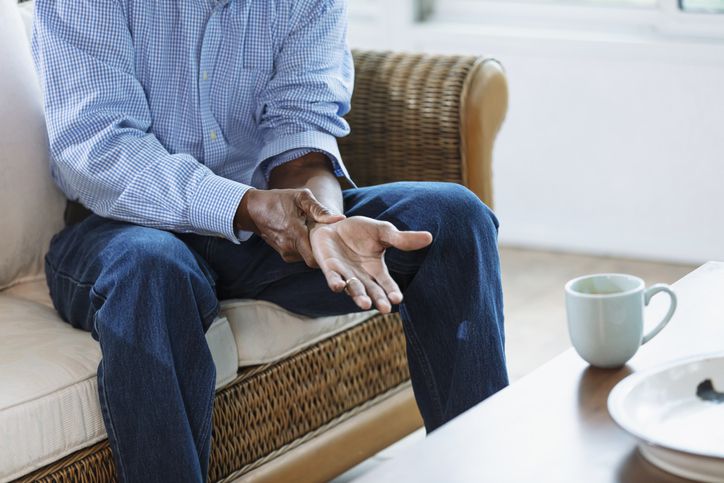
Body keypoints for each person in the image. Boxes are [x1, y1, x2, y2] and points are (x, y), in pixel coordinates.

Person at [32, 0, 509, 481]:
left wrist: (323, 223)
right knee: (153, 270)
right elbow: (99, 149)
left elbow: (300, 134)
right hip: (121, 227)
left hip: (260, 231)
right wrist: (244, 205)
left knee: (454, 219)